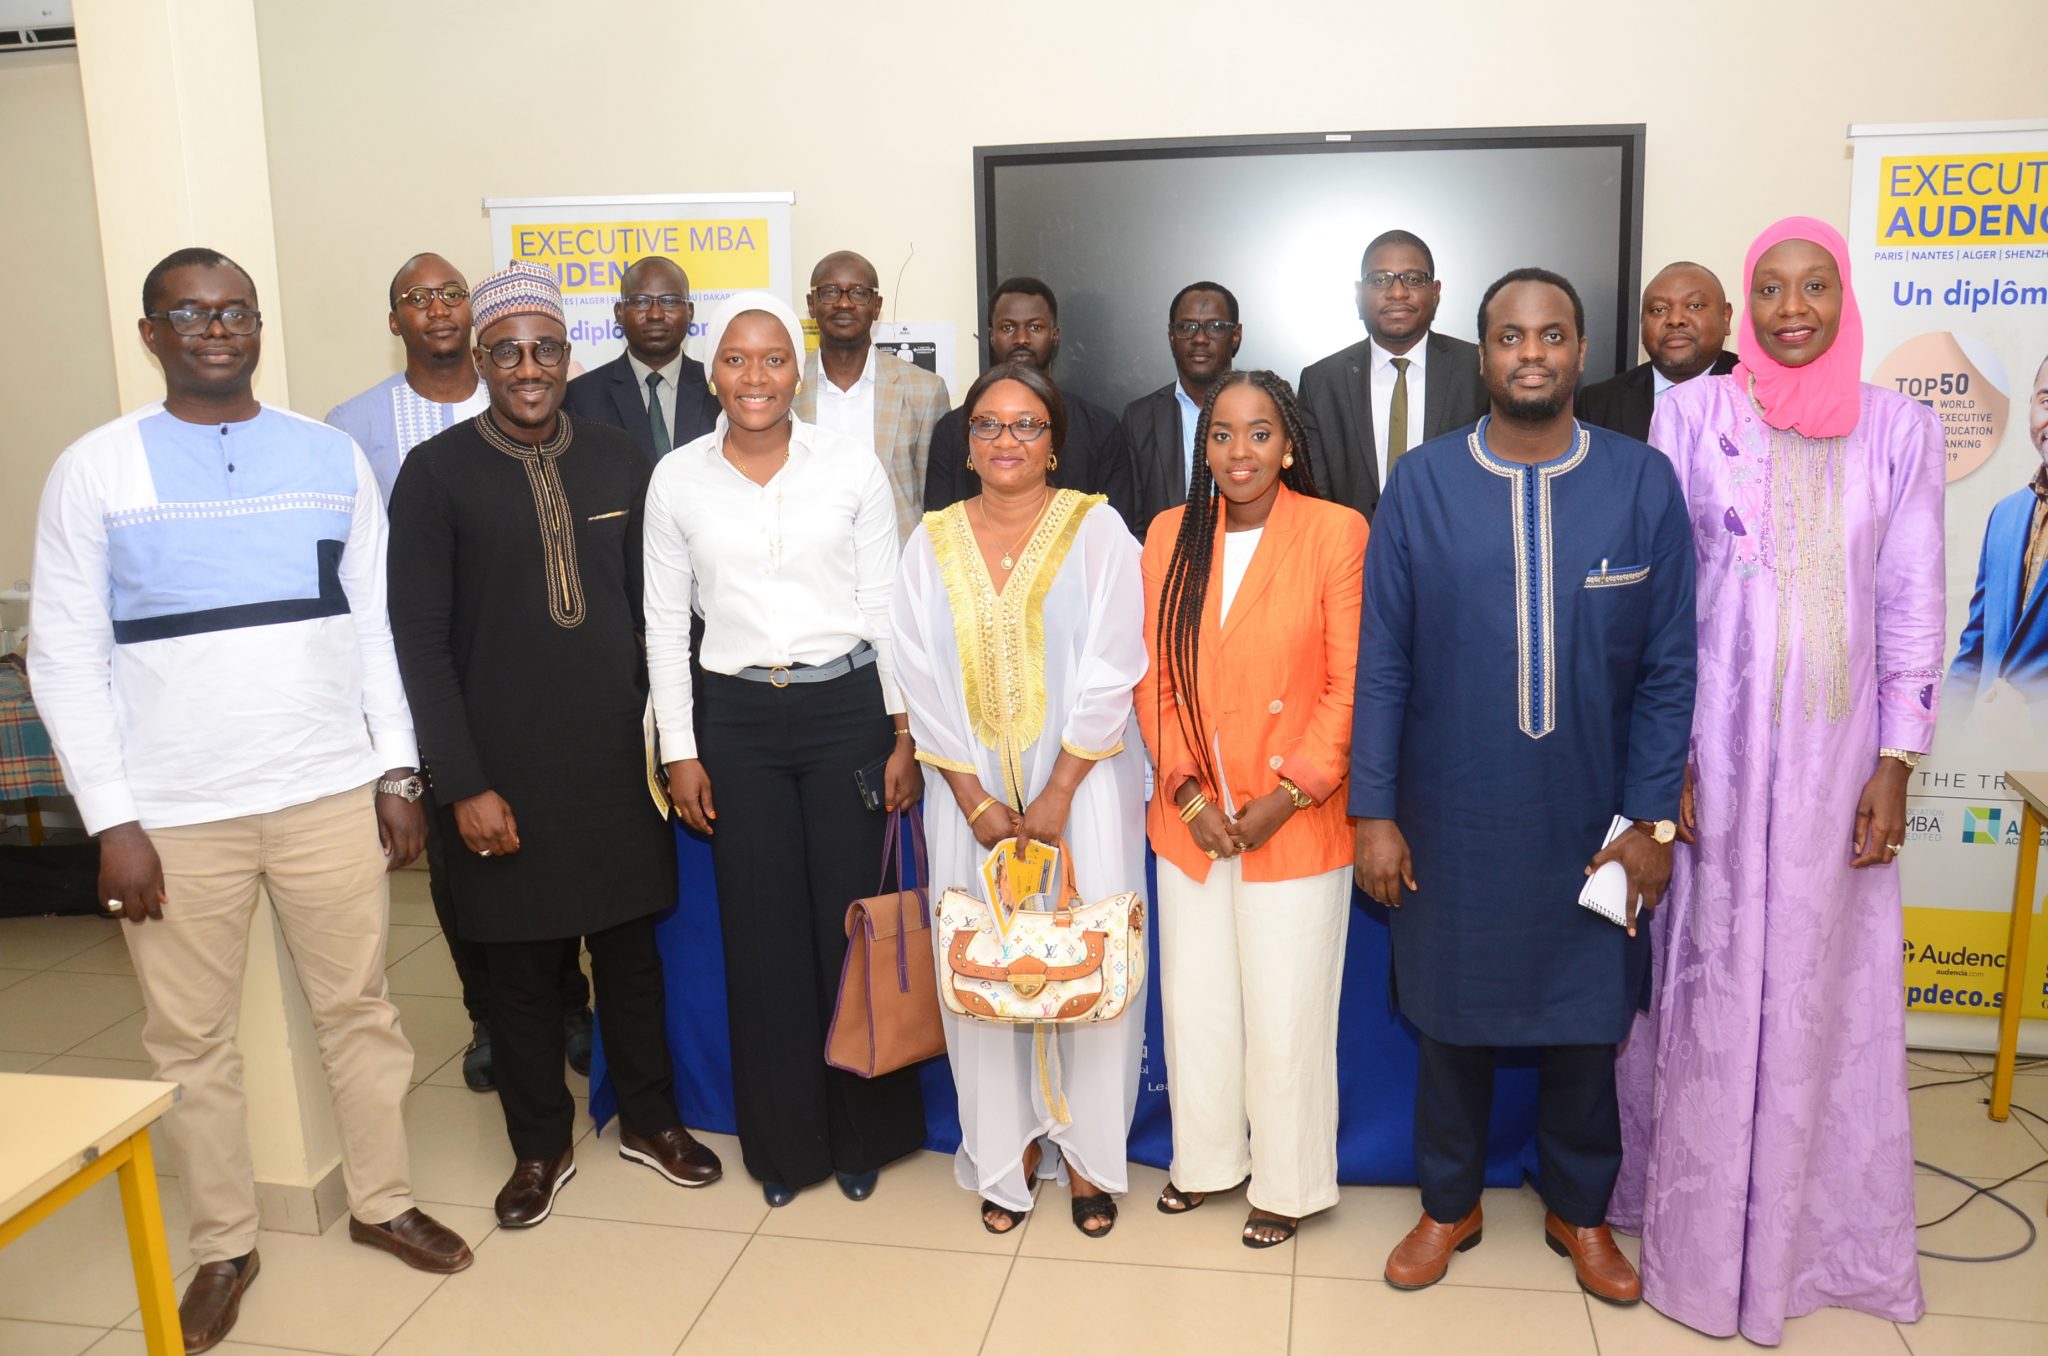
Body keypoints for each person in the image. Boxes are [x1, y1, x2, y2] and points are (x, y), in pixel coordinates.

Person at [30, 247, 472, 1352]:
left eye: (233, 312)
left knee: (360, 1013)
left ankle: (381, 1203)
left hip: (327, 790)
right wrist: (112, 820)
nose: (215, 329)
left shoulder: (327, 457)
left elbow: (375, 626)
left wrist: (397, 770)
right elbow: (65, 656)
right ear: (150, 334)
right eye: (189, 314)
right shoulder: (97, 470)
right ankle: (225, 1242)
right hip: (174, 816)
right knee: (191, 1042)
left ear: (259, 326)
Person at [1611, 217, 1944, 1345]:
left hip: (1833, 766)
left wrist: (1895, 763)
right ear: (1742, 310)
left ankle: (1808, 1247)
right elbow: (1663, 601)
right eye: (1768, 289)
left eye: (1810, 287)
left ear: (1841, 297)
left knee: (1819, 985)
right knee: (1701, 983)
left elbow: (1908, 601)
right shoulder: (1691, 414)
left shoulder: (1898, 428)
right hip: (1712, 756)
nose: (1788, 307)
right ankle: (1697, 1247)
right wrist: (1669, 763)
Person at [1351, 267, 1696, 1303]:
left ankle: (1579, 1215)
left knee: (1585, 1029)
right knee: (1449, 1023)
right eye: (1509, 337)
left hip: (1592, 817)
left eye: (1551, 335)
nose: (1530, 353)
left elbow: (1670, 665)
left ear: (1580, 352)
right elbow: (1383, 662)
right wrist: (1372, 812)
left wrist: (1650, 823)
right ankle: (1446, 1204)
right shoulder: (1420, 483)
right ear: (1482, 353)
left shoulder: (1641, 483)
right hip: (1449, 811)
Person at [386, 262, 721, 1230]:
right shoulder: (436, 475)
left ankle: (649, 1121)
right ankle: (538, 1147)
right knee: (523, 976)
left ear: (568, 357)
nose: (528, 367)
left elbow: (664, 619)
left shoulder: (623, 459)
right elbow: (420, 640)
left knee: (630, 960)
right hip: (502, 775)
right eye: (507, 351)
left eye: (544, 349)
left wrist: (675, 746)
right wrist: (462, 783)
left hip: (618, 768)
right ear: (483, 360)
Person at [646, 290, 926, 1207]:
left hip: (846, 706)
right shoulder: (677, 479)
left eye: (772, 359)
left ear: (795, 371)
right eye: (736, 359)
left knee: (848, 930)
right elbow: (661, 626)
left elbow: (886, 605)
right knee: (762, 940)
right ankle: (786, 1148)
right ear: (713, 372)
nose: (755, 376)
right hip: (737, 722)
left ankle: (864, 1137)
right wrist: (681, 751)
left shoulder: (849, 467)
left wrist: (901, 731)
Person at [891, 360, 1148, 1239]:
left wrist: (1060, 791)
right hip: (970, 803)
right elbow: (918, 680)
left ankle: (1085, 1158)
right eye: (990, 426)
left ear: (1054, 445)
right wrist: (973, 803)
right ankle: (1008, 1155)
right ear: (966, 446)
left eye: (1027, 426)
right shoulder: (928, 543)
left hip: (1085, 793)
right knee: (986, 968)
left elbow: (1118, 662)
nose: (1008, 441)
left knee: (1085, 963)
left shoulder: (1100, 529)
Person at [327, 251, 594, 1093]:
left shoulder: (529, 403)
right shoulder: (356, 424)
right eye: (418, 298)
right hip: (420, 669)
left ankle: (568, 1004)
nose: (437, 310)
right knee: (467, 864)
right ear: (397, 317)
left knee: (551, 850)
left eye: (451, 295)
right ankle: (491, 1014)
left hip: (523, 674)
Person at [1136, 369, 1367, 1248]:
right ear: (1204, 448)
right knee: (1196, 1005)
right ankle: (1204, 1163)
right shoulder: (1169, 535)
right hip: (1191, 814)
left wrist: (1290, 793)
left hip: (1294, 817)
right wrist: (1187, 789)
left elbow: (1348, 687)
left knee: (1287, 1010)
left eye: (1259, 432)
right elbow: (1150, 672)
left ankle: (1289, 1183)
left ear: (1290, 443)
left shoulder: (1336, 533)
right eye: (1222, 435)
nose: (1240, 451)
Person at [1298, 229, 1488, 521]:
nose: (1397, 292)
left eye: (1413, 279)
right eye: (1380, 279)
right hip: (1353, 558)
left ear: (1435, 292)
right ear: (1359, 295)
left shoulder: (1479, 369)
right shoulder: (1321, 382)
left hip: (1459, 558)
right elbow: (1315, 495)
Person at [922, 277, 1137, 526]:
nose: (1021, 339)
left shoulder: (1100, 427)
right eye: (1007, 328)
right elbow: (939, 530)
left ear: (1055, 336)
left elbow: (1117, 526)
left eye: (1035, 327)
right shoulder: (953, 428)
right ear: (991, 337)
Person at [797, 249, 952, 541]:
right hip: (808, 566)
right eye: (830, 292)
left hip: (895, 567)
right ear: (812, 304)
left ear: (876, 306)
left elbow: (936, 503)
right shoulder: (786, 386)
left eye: (858, 293)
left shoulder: (924, 391)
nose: (844, 303)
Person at [1948, 351, 2048, 708]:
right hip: (1985, 752)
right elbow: (1974, 644)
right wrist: (1947, 733)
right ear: (2031, 406)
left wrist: (2034, 716)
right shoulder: (2005, 515)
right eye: (2047, 400)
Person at [561, 255, 717, 459]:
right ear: (619, 312)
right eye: (640, 302)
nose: (655, 314)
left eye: (669, 301)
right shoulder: (580, 397)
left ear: (689, 312)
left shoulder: (718, 388)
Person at [1575, 261, 1739, 443]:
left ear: (1725, 317)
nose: (1675, 320)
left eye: (1695, 306)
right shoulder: (1599, 403)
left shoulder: (1759, 391)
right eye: (1659, 309)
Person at [1126, 282, 1244, 533]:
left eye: (1215, 327)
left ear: (1236, 336)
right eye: (1187, 327)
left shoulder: (1266, 411)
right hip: (1168, 567)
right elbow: (1132, 524)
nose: (1200, 338)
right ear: (1171, 336)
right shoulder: (1139, 419)